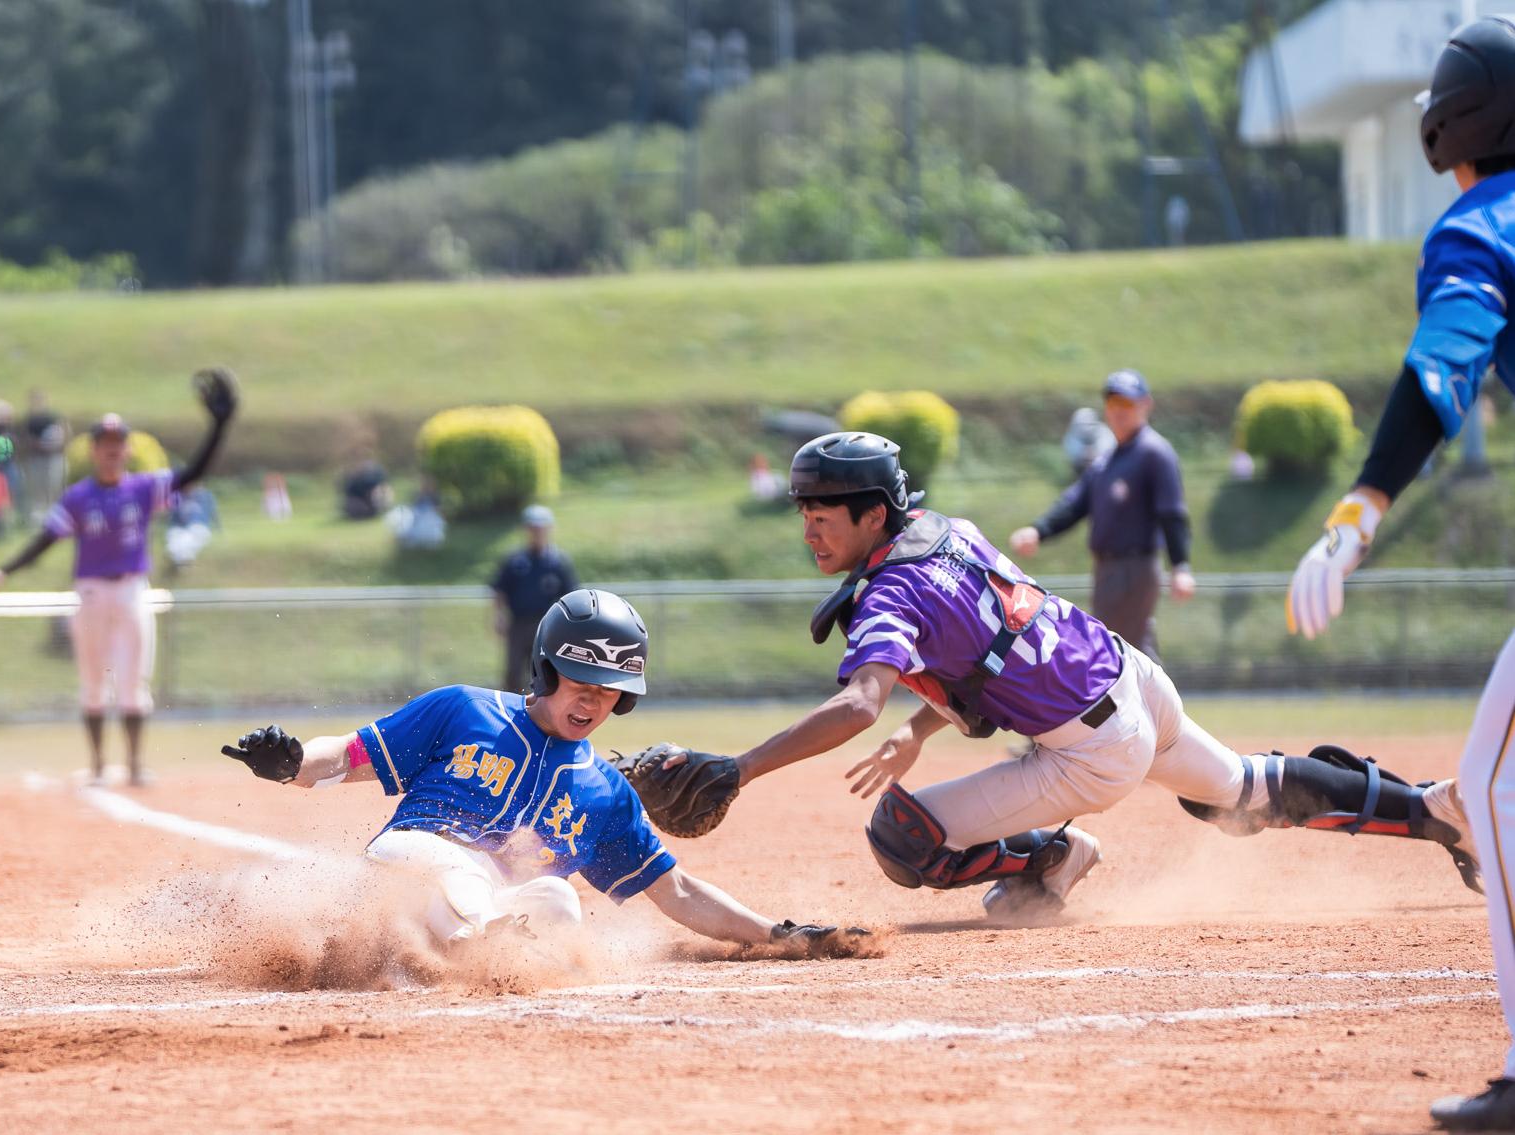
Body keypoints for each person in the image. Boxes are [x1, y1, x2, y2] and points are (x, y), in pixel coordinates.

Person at [625, 432, 1479, 930]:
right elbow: (982, 650)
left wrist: (740, 769)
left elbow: (857, 700)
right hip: (1132, 677)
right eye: (803, 516)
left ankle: (1057, 855)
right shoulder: (944, 531)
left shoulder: (891, 590)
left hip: (1090, 749)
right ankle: (1437, 809)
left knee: (898, 837)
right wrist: (919, 727)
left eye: (821, 516)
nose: (809, 532)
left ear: (872, 514)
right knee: (1239, 792)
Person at [1285, 18, 1515, 1130]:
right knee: (1483, 780)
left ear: (1450, 121)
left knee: (1492, 791)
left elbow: (1442, 371)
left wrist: (1357, 506)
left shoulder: (1480, 225)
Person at [218, 588, 863, 955]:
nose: (592, 701)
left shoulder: (607, 794)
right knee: (459, 869)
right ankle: (453, 941)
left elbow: (680, 892)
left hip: (482, 907)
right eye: (581, 682)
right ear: (548, 670)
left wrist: (778, 935)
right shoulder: (464, 709)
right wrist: (294, 762)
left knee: (557, 900)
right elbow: (351, 757)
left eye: (609, 690)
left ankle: (477, 953)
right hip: (408, 864)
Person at [0, 369, 238, 786]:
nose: (113, 451)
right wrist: (4, 569)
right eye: (106, 444)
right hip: (92, 593)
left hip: (133, 589)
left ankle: (134, 766)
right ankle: (99, 765)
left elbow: (192, 475)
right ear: (95, 450)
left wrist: (219, 426)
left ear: (127, 450)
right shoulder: (80, 496)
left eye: (119, 444)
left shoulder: (141, 488)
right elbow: (45, 539)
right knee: (93, 682)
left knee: (135, 681)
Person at [1009, 369, 1195, 661]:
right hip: (1108, 571)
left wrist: (1180, 565)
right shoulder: (1108, 459)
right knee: (1134, 652)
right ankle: (1160, 707)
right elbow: (1074, 503)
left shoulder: (1153, 453)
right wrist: (1039, 530)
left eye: (1127, 404)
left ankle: (1148, 707)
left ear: (1146, 404)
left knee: (1113, 653)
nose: (1119, 412)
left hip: (1134, 568)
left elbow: (1171, 512)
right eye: (1113, 404)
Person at [491, 505, 579, 693]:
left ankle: (541, 712)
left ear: (549, 529)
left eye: (541, 528)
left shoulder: (558, 561)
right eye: (533, 528)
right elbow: (500, 589)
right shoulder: (515, 560)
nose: (537, 533)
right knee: (513, 671)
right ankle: (509, 710)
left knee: (544, 670)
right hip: (519, 624)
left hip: (547, 626)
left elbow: (570, 595)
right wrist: (499, 616)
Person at [20, 389, 66, 524]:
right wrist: (37, 445)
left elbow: (63, 432)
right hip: (36, 459)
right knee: (37, 488)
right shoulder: (29, 420)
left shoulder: (53, 417)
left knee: (53, 486)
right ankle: (37, 518)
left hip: (53, 458)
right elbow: (25, 438)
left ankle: (54, 516)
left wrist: (56, 445)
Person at [1062, 407, 1115, 477]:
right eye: (1082, 424)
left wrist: (1094, 454)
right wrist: (1084, 454)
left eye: (1089, 424)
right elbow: (1072, 453)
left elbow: (1108, 452)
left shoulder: (1104, 433)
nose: (1086, 427)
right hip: (1079, 469)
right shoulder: (1072, 434)